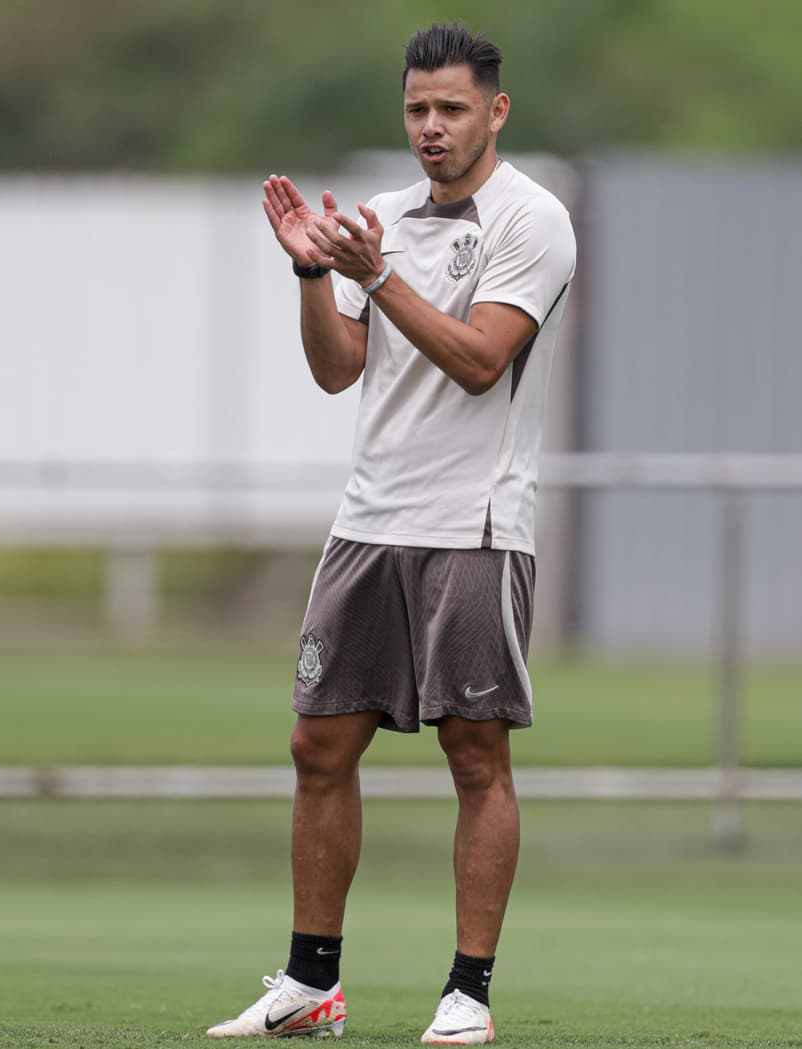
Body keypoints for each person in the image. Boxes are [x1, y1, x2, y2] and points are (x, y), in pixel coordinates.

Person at [206, 21, 576, 1045]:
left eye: (451, 109)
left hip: (476, 523)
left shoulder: (531, 221)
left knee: (474, 752)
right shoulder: (378, 220)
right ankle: (310, 983)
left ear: (494, 112)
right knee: (316, 743)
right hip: (371, 516)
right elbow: (337, 370)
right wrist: (313, 277)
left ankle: (468, 991)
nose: (430, 127)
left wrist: (375, 277)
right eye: (416, 108)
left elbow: (477, 361)